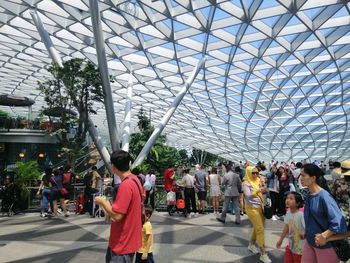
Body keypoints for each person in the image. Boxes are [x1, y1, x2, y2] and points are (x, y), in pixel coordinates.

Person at [95, 150, 142, 263]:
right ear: (129, 163)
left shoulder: (125, 185)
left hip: (122, 243)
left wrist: (102, 202)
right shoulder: (135, 180)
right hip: (129, 239)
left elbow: (117, 216)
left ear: (113, 167)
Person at [300, 163, 347, 263]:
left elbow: (337, 222)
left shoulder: (324, 197)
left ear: (313, 178)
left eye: (303, 175)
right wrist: (306, 230)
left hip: (326, 246)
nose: (300, 178)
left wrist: (324, 236)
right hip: (310, 242)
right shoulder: (309, 195)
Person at [243, 166, 272, 263]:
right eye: (253, 173)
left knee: (257, 228)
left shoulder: (259, 180)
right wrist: (258, 190)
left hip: (261, 207)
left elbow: (265, 190)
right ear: (248, 173)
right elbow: (248, 196)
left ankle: (251, 245)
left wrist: (263, 185)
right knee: (260, 229)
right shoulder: (246, 183)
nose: (255, 175)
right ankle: (263, 254)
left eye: (257, 173)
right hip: (251, 209)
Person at [276, 192, 305, 263]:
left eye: (291, 198)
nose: (287, 200)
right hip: (290, 246)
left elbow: (307, 228)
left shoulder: (301, 215)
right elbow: (286, 227)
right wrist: (281, 239)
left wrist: (304, 232)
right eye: (287, 198)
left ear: (297, 203)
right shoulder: (288, 213)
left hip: (300, 249)